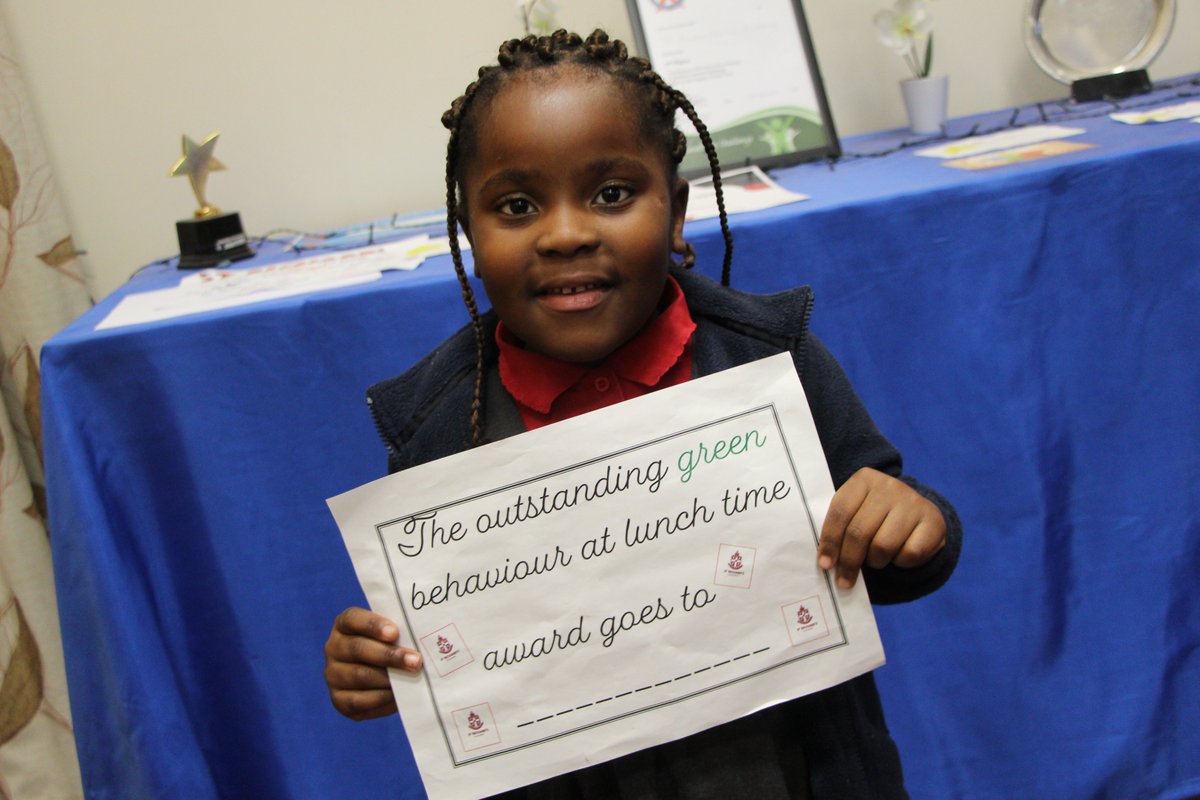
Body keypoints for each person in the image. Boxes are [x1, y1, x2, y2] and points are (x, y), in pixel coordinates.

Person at [324, 29, 962, 799]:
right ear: (469, 233)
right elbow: (449, 652)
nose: (567, 234)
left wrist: (913, 523)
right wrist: (379, 664)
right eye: (517, 206)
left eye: (612, 194)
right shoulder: (436, 427)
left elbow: (890, 545)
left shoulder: (769, 360)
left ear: (677, 210)